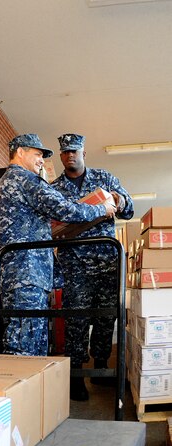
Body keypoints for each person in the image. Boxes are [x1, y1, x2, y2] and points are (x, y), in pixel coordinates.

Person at [0, 134, 116, 357]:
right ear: (20, 152)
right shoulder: (26, 180)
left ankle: (29, 387)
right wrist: (101, 210)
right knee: (27, 343)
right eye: (37, 154)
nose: (41, 160)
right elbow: (66, 209)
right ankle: (24, 389)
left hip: (12, 275)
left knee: (21, 336)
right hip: (29, 274)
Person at [52, 133, 133, 401]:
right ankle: (75, 376)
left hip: (106, 262)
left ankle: (100, 368)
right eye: (65, 152)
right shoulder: (54, 188)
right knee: (76, 320)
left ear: (84, 153)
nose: (70, 155)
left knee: (104, 318)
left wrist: (118, 200)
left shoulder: (105, 179)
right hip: (75, 266)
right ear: (61, 155)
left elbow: (129, 209)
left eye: (74, 151)